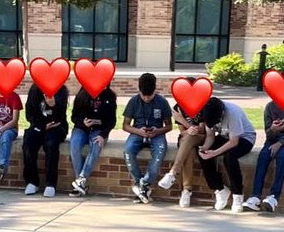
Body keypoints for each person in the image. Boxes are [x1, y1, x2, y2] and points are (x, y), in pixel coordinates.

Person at [244, 92, 284, 212]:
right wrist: (273, 129)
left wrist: (280, 143)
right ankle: (255, 196)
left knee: (282, 156)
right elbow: (268, 132)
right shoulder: (270, 107)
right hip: (273, 139)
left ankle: (274, 197)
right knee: (263, 156)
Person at [197, 97, 257, 213]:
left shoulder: (233, 113)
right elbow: (210, 136)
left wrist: (214, 153)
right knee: (202, 153)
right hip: (225, 137)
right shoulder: (207, 112)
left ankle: (238, 194)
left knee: (229, 157)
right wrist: (204, 148)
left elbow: (234, 142)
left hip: (244, 138)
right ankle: (220, 189)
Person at [121, 73, 172, 202]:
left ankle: (144, 184)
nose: (146, 98)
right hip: (137, 132)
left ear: (155, 90)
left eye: (150, 95)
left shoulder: (162, 102)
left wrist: (157, 131)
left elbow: (169, 126)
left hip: (157, 134)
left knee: (160, 152)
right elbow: (125, 126)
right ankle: (141, 185)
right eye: (144, 95)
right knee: (128, 150)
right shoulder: (133, 101)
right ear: (140, 91)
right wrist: (138, 131)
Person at [157, 88, 206, 208]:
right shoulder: (178, 108)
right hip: (186, 139)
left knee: (190, 137)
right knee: (189, 152)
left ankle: (173, 173)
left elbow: (202, 130)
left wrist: (183, 121)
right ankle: (186, 191)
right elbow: (183, 132)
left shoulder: (203, 105)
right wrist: (188, 128)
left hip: (201, 138)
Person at [68, 83, 117, 196]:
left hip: (99, 130)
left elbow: (111, 121)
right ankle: (80, 182)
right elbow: (74, 116)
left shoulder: (109, 96)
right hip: (82, 128)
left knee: (96, 144)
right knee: (75, 143)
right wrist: (83, 122)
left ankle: (81, 179)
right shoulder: (82, 94)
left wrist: (103, 134)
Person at [22, 81, 69, 197]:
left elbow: (61, 116)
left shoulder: (62, 90)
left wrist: (54, 105)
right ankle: (32, 181)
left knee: (51, 143)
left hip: (56, 126)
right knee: (28, 143)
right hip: (39, 125)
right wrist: (42, 126)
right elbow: (29, 115)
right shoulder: (34, 90)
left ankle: (50, 183)